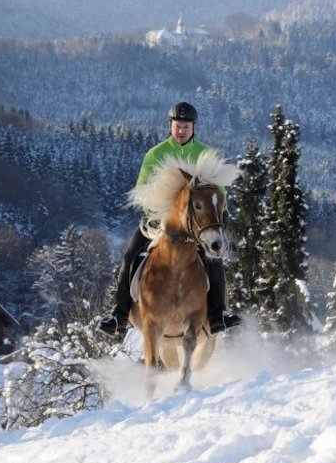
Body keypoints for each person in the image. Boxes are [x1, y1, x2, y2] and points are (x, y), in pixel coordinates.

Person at [97, 101, 242, 337]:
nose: (181, 130)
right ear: (170, 126)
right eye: (177, 125)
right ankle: (119, 315)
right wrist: (160, 215)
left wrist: (215, 216)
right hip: (157, 223)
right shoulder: (155, 154)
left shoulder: (203, 155)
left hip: (194, 226)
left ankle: (218, 314)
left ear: (193, 127)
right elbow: (143, 189)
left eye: (185, 126)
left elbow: (219, 192)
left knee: (214, 260)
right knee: (129, 256)